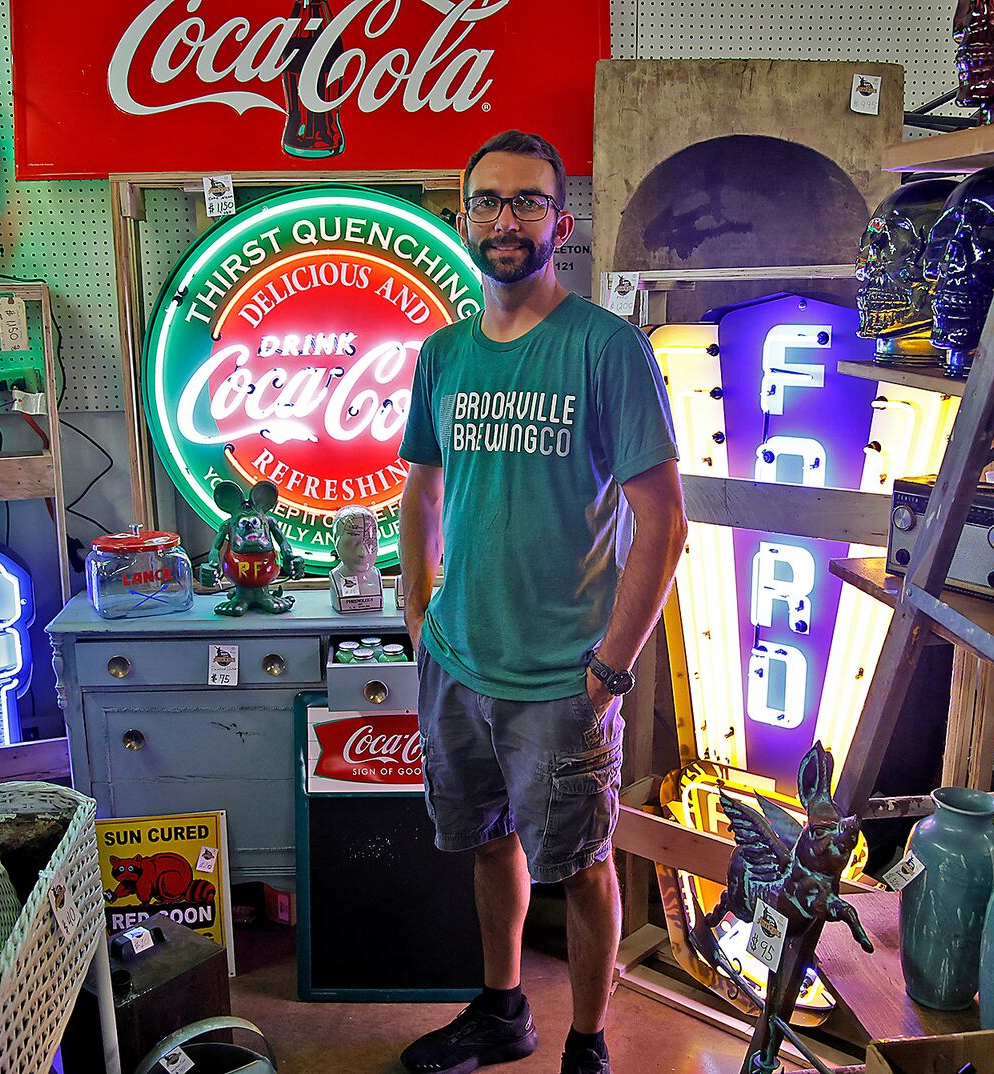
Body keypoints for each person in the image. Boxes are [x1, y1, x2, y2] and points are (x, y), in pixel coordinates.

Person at [397, 130, 687, 1074]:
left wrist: (609, 667)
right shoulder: (442, 356)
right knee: (487, 845)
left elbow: (665, 522)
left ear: (560, 221)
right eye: (489, 201)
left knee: (583, 863)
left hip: (564, 676)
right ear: (464, 217)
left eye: (527, 202)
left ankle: (590, 1043)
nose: (506, 219)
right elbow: (423, 492)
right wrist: (419, 617)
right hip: (458, 661)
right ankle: (502, 1010)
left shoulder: (606, 350)